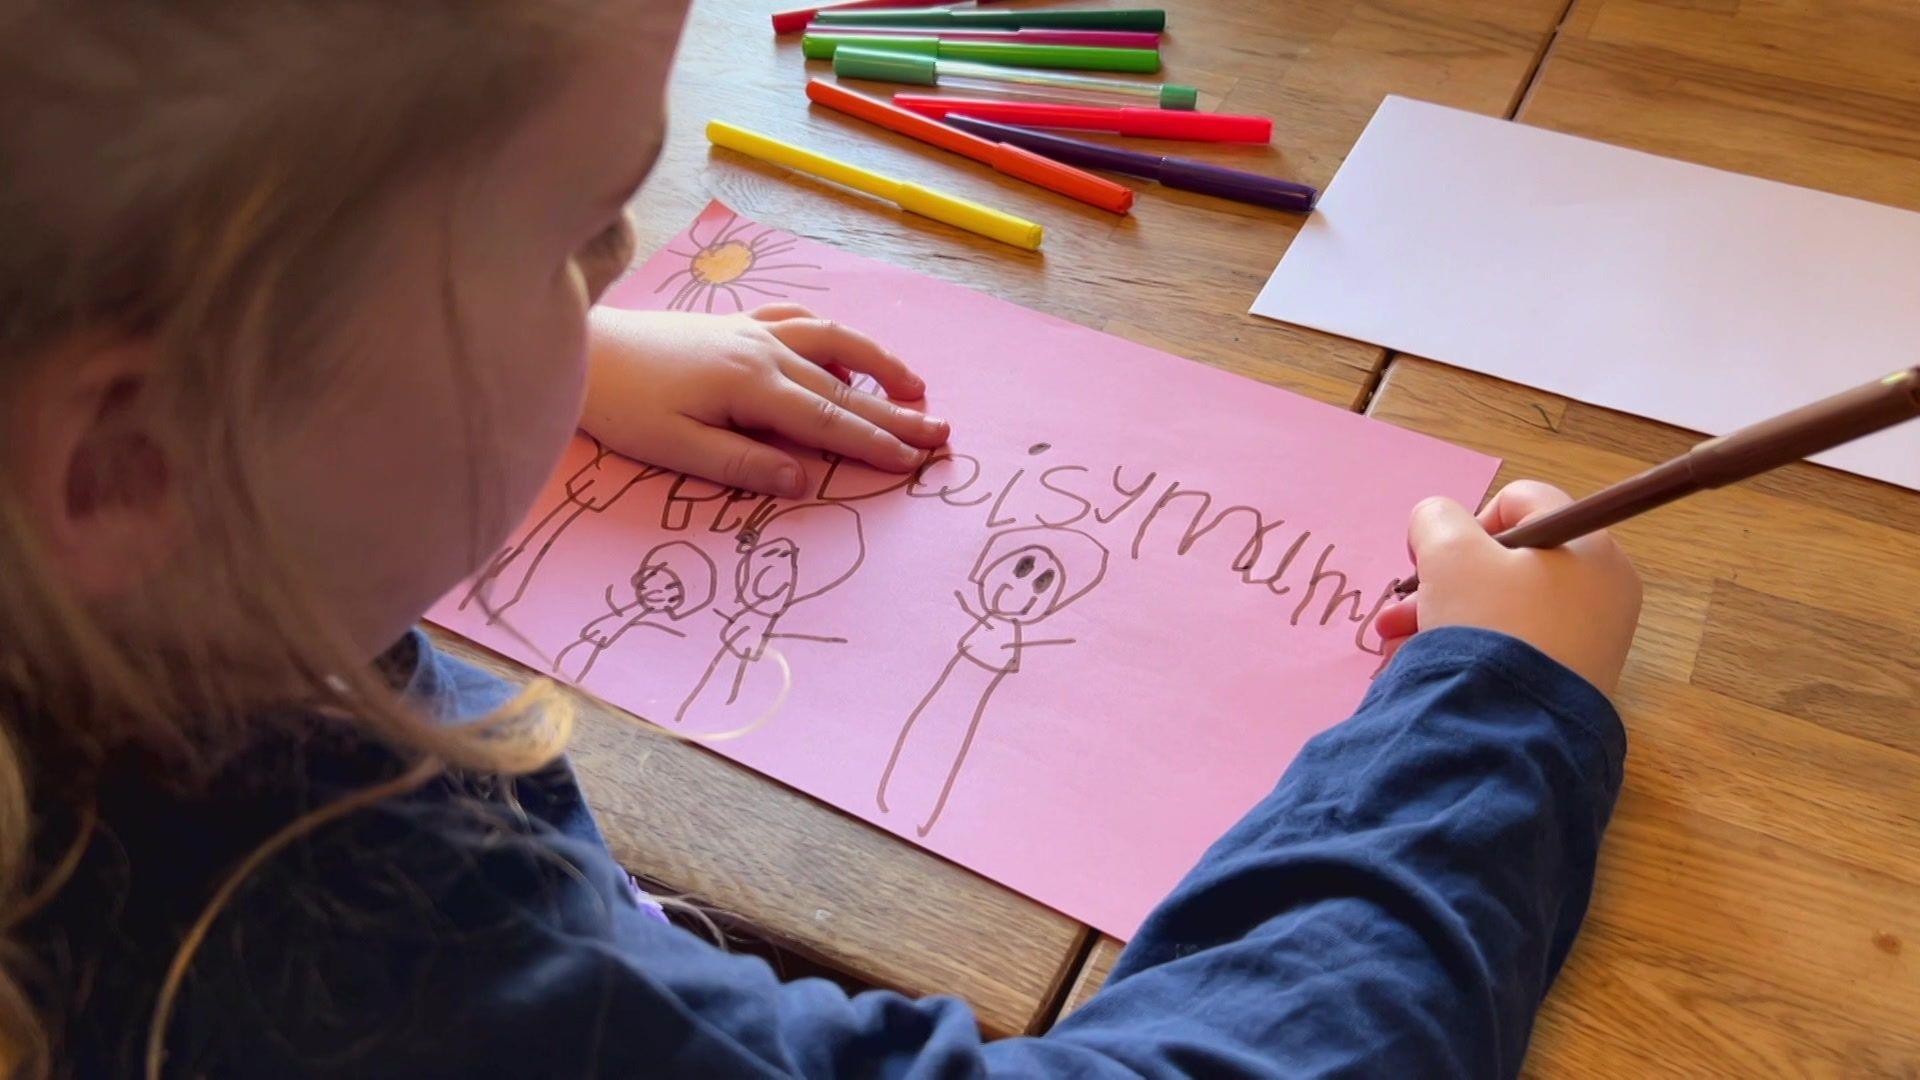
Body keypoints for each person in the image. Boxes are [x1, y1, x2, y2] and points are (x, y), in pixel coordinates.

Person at [0, 2, 1642, 1077]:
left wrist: (543, 356)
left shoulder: (112, 587)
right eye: (579, 240)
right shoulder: (342, 957)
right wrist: (1495, 715)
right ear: (134, 462)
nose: (622, 269)